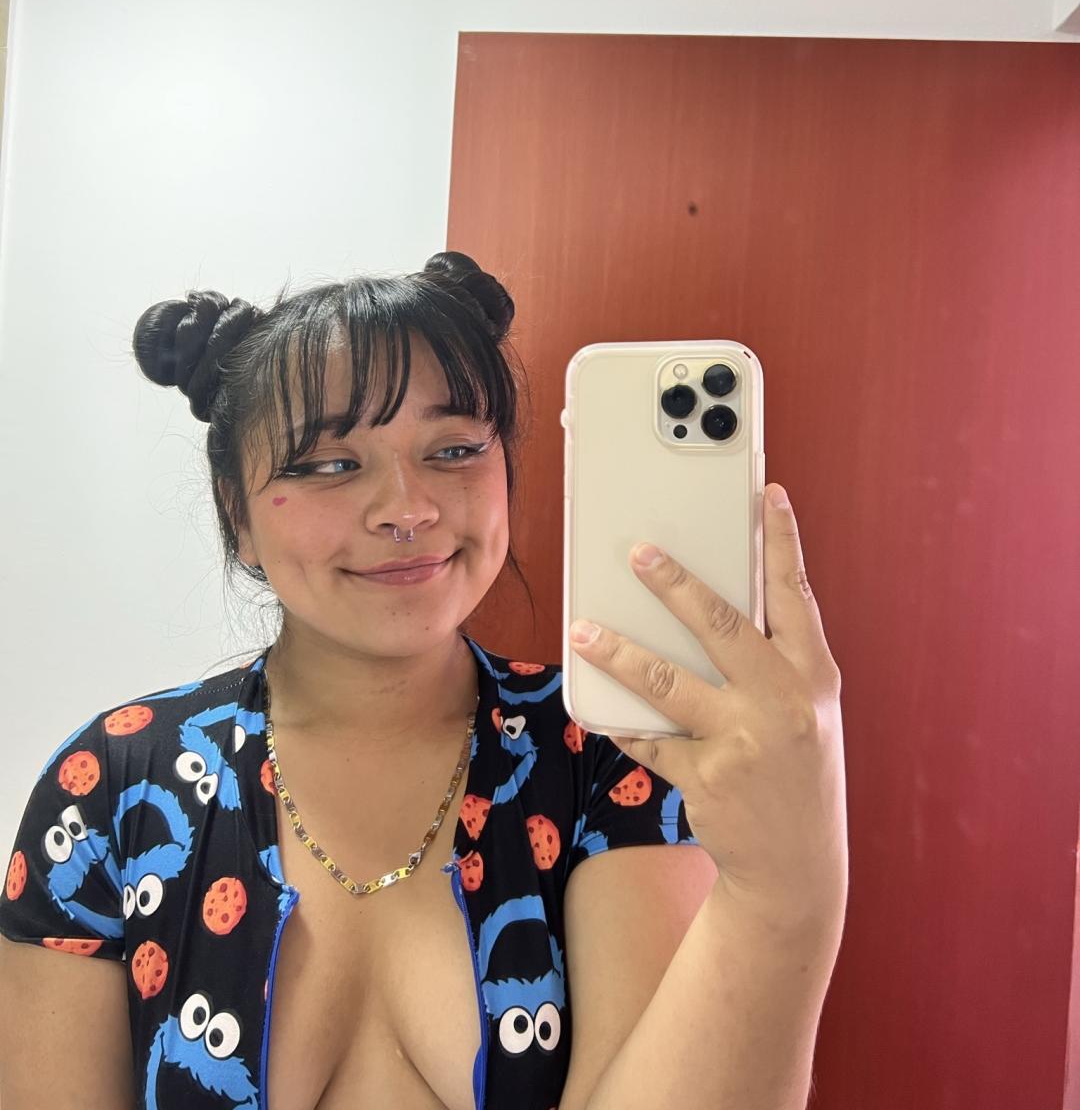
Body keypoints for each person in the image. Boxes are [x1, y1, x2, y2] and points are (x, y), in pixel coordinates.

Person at [0, 250, 847, 1110]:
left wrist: (786, 888)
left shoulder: (608, 749)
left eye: (454, 450)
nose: (408, 508)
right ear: (236, 515)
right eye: (327, 463)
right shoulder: (110, 788)